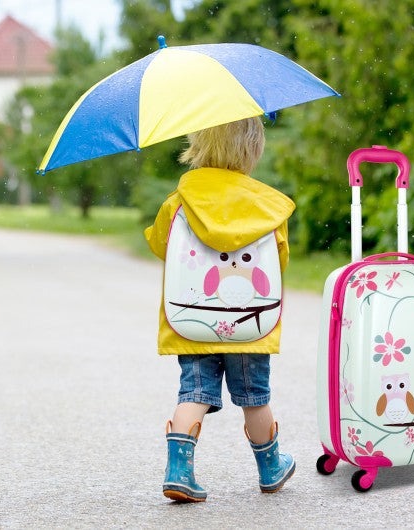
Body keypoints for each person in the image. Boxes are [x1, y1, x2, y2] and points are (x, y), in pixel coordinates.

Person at [144, 116, 296, 502]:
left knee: (194, 393)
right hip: (249, 325)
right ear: (253, 149)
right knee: (254, 397)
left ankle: (179, 471)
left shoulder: (179, 201)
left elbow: (162, 245)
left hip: (194, 321)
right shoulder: (265, 207)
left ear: (198, 145)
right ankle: (271, 468)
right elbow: (278, 260)